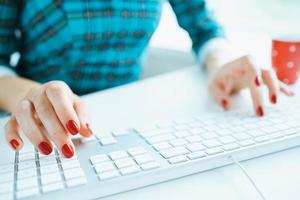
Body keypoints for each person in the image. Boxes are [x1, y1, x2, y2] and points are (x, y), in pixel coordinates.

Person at [0, 0, 293, 158]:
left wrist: (221, 66)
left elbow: (205, 30)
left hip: (133, 123)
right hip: (40, 127)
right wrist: (34, 95)